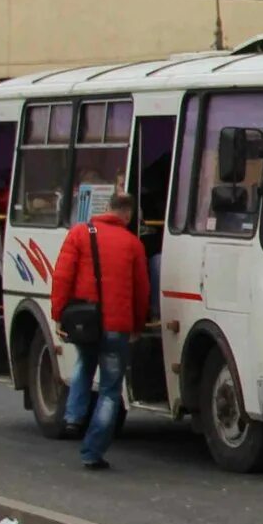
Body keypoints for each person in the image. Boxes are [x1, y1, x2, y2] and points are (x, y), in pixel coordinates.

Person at [49, 192, 149, 471]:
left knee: (84, 362)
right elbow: (141, 291)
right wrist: (137, 326)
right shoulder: (133, 244)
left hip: (86, 321)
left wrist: (58, 315)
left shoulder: (80, 234)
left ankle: (72, 417)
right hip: (118, 327)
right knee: (109, 390)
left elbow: (62, 276)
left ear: (106, 208)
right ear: (127, 216)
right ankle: (92, 452)